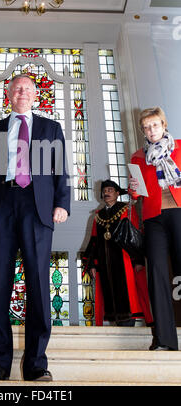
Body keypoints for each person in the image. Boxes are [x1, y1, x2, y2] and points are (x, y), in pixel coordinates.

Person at [0, 74, 71, 382]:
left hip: (37, 207)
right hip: (1, 206)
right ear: (8, 94)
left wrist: (62, 203)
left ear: (36, 95)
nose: (22, 92)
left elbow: (60, 168)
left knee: (39, 286)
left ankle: (36, 364)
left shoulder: (51, 128)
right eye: (17, 88)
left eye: (28, 88)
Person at [129, 106, 181, 351]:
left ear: (164, 125)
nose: (151, 130)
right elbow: (136, 193)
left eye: (155, 125)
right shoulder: (138, 157)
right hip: (153, 217)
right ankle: (164, 339)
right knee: (157, 276)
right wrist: (132, 187)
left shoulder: (180, 147)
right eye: (146, 127)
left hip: (180, 212)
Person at [83, 180, 153, 328]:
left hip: (125, 261)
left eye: (110, 190)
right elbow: (93, 242)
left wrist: (138, 260)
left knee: (129, 296)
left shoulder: (126, 210)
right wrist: (92, 264)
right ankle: (118, 326)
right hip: (105, 264)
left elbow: (135, 237)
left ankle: (129, 325)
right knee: (110, 296)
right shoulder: (98, 216)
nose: (106, 193)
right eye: (104, 191)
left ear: (116, 193)